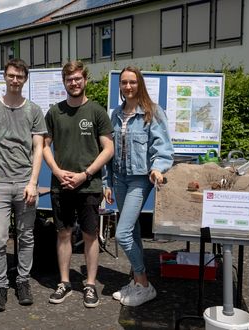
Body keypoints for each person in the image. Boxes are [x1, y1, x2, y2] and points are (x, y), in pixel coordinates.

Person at [43, 61, 114, 308]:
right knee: (63, 234)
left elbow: (109, 148)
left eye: (77, 79)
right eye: (69, 79)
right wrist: (56, 170)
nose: (74, 83)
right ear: (64, 83)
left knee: (90, 235)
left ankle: (90, 284)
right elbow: (44, 146)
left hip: (89, 186)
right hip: (60, 185)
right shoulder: (54, 112)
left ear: (85, 80)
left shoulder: (96, 111)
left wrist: (86, 174)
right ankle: (64, 282)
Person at [0, 58, 47, 312]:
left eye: (19, 76)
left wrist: (33, 182)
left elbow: (38, 148)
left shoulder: (34, 110)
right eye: (11, 76)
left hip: (25, 185)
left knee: (26, 236)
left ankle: (22, 282)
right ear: (5, 78)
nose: (15, 80)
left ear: (25, 79)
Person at [105, 66, 174, 307]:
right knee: (131, 230)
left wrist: (158, 167)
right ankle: (136, 281)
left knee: (121, 233)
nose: (128, 86)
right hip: (120, 179)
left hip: (139, 179)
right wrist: (107, 181)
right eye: (124, 82)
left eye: (132, 82)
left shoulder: (151, 112)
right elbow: (109, 150)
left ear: (139, 84)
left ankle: (144, 283)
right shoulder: (116, 113)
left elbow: (163, 146)